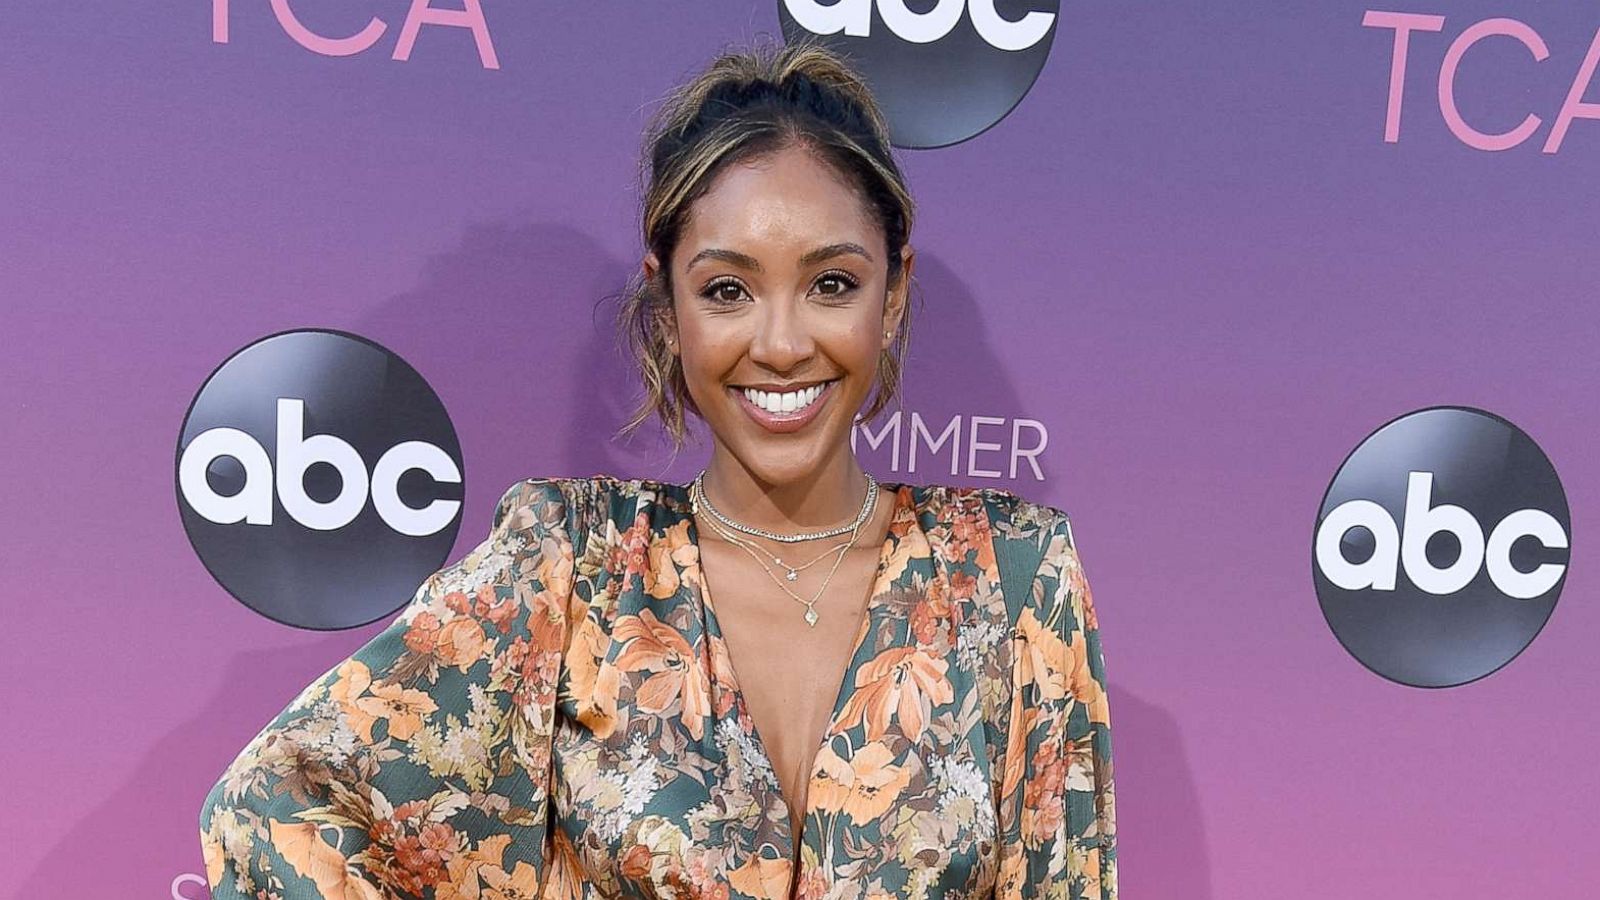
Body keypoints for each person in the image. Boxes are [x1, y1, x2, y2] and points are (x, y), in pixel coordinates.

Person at [198, 37, 1116, 900]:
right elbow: (274, 813)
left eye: (832, 283)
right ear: (670, 308)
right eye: (727, 290)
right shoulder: (571, 569)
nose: (784, 342)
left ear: (895, 289)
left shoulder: (1015, 578)